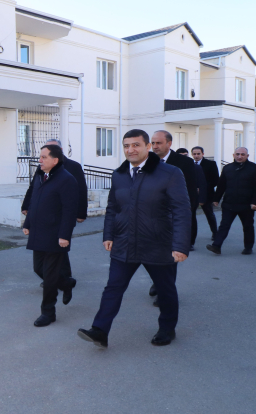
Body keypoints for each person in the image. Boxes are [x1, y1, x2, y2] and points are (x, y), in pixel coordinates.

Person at [77, 129, 190, 348]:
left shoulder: (170, 173)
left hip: (158, 243)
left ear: (148, 146)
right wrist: (108, 234)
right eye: (126, 146)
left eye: (136, 145)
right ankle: (100, 330)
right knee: (113, 287)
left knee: (165, 290)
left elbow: (182, 211)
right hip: (124, 242)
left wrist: (180, 245)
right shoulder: (119, 174)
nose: (131, 150)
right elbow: (113, 207)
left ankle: (167, 328)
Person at [22, 144, 78, 327]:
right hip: (39, 232)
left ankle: (48, 312)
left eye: (44, 157)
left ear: (55, 160)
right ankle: (66, 283)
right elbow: (34, 201)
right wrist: (27, 223)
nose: (40, 160)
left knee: (50, 275)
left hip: (55, 234)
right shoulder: (40, 175)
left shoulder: (66, 179)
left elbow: (69, 210)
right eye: (40, 156)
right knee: (38, 269)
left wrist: (64, 235)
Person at [147, 130, 195, 302]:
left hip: (172, 218)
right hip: (151, 217)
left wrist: (185, 216)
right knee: (152, 255)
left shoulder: (185, 163)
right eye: (153, 143)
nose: (155, 146)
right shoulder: (147, 161)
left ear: (169, 143)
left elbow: (190, 190)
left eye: (158, 143)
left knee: (168, 258)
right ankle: (157, 282)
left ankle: (164, 293)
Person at [205, 147, 256, 255]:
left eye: (242, 154)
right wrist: (216, 199)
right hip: (229, 203)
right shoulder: (228, 168)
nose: (239, 156)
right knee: (224, 225)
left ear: (247, 156)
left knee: (247, 226)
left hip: (246, 204)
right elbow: (221, 185)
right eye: (237, 154)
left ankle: (248, 247)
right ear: (233, 155)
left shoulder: (255, 168)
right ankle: (216, 246)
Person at [192, 146, 220, 241]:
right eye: (194, 154)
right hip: (192, 194)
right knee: (191, 215)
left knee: (209, 214)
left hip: (207, 194)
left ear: (203, 154)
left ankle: (215, 233)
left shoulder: (210, 164)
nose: (196, 156)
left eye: (198, 154)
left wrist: (202, 188)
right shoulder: (190, 164)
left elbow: (215, 180)